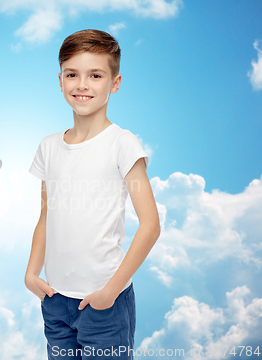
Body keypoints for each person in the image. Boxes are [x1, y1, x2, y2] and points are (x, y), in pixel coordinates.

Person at [25, 29, 161, 360]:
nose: (82, 85)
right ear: (60, 80)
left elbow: (150, 225)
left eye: (95, 75)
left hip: (104, 303)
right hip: (56, 301)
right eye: (73, 74)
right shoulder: (48, 147)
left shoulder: (122, 144)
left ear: (114, 82)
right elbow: (47, 216)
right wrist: (32, 273)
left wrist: (110, 292)